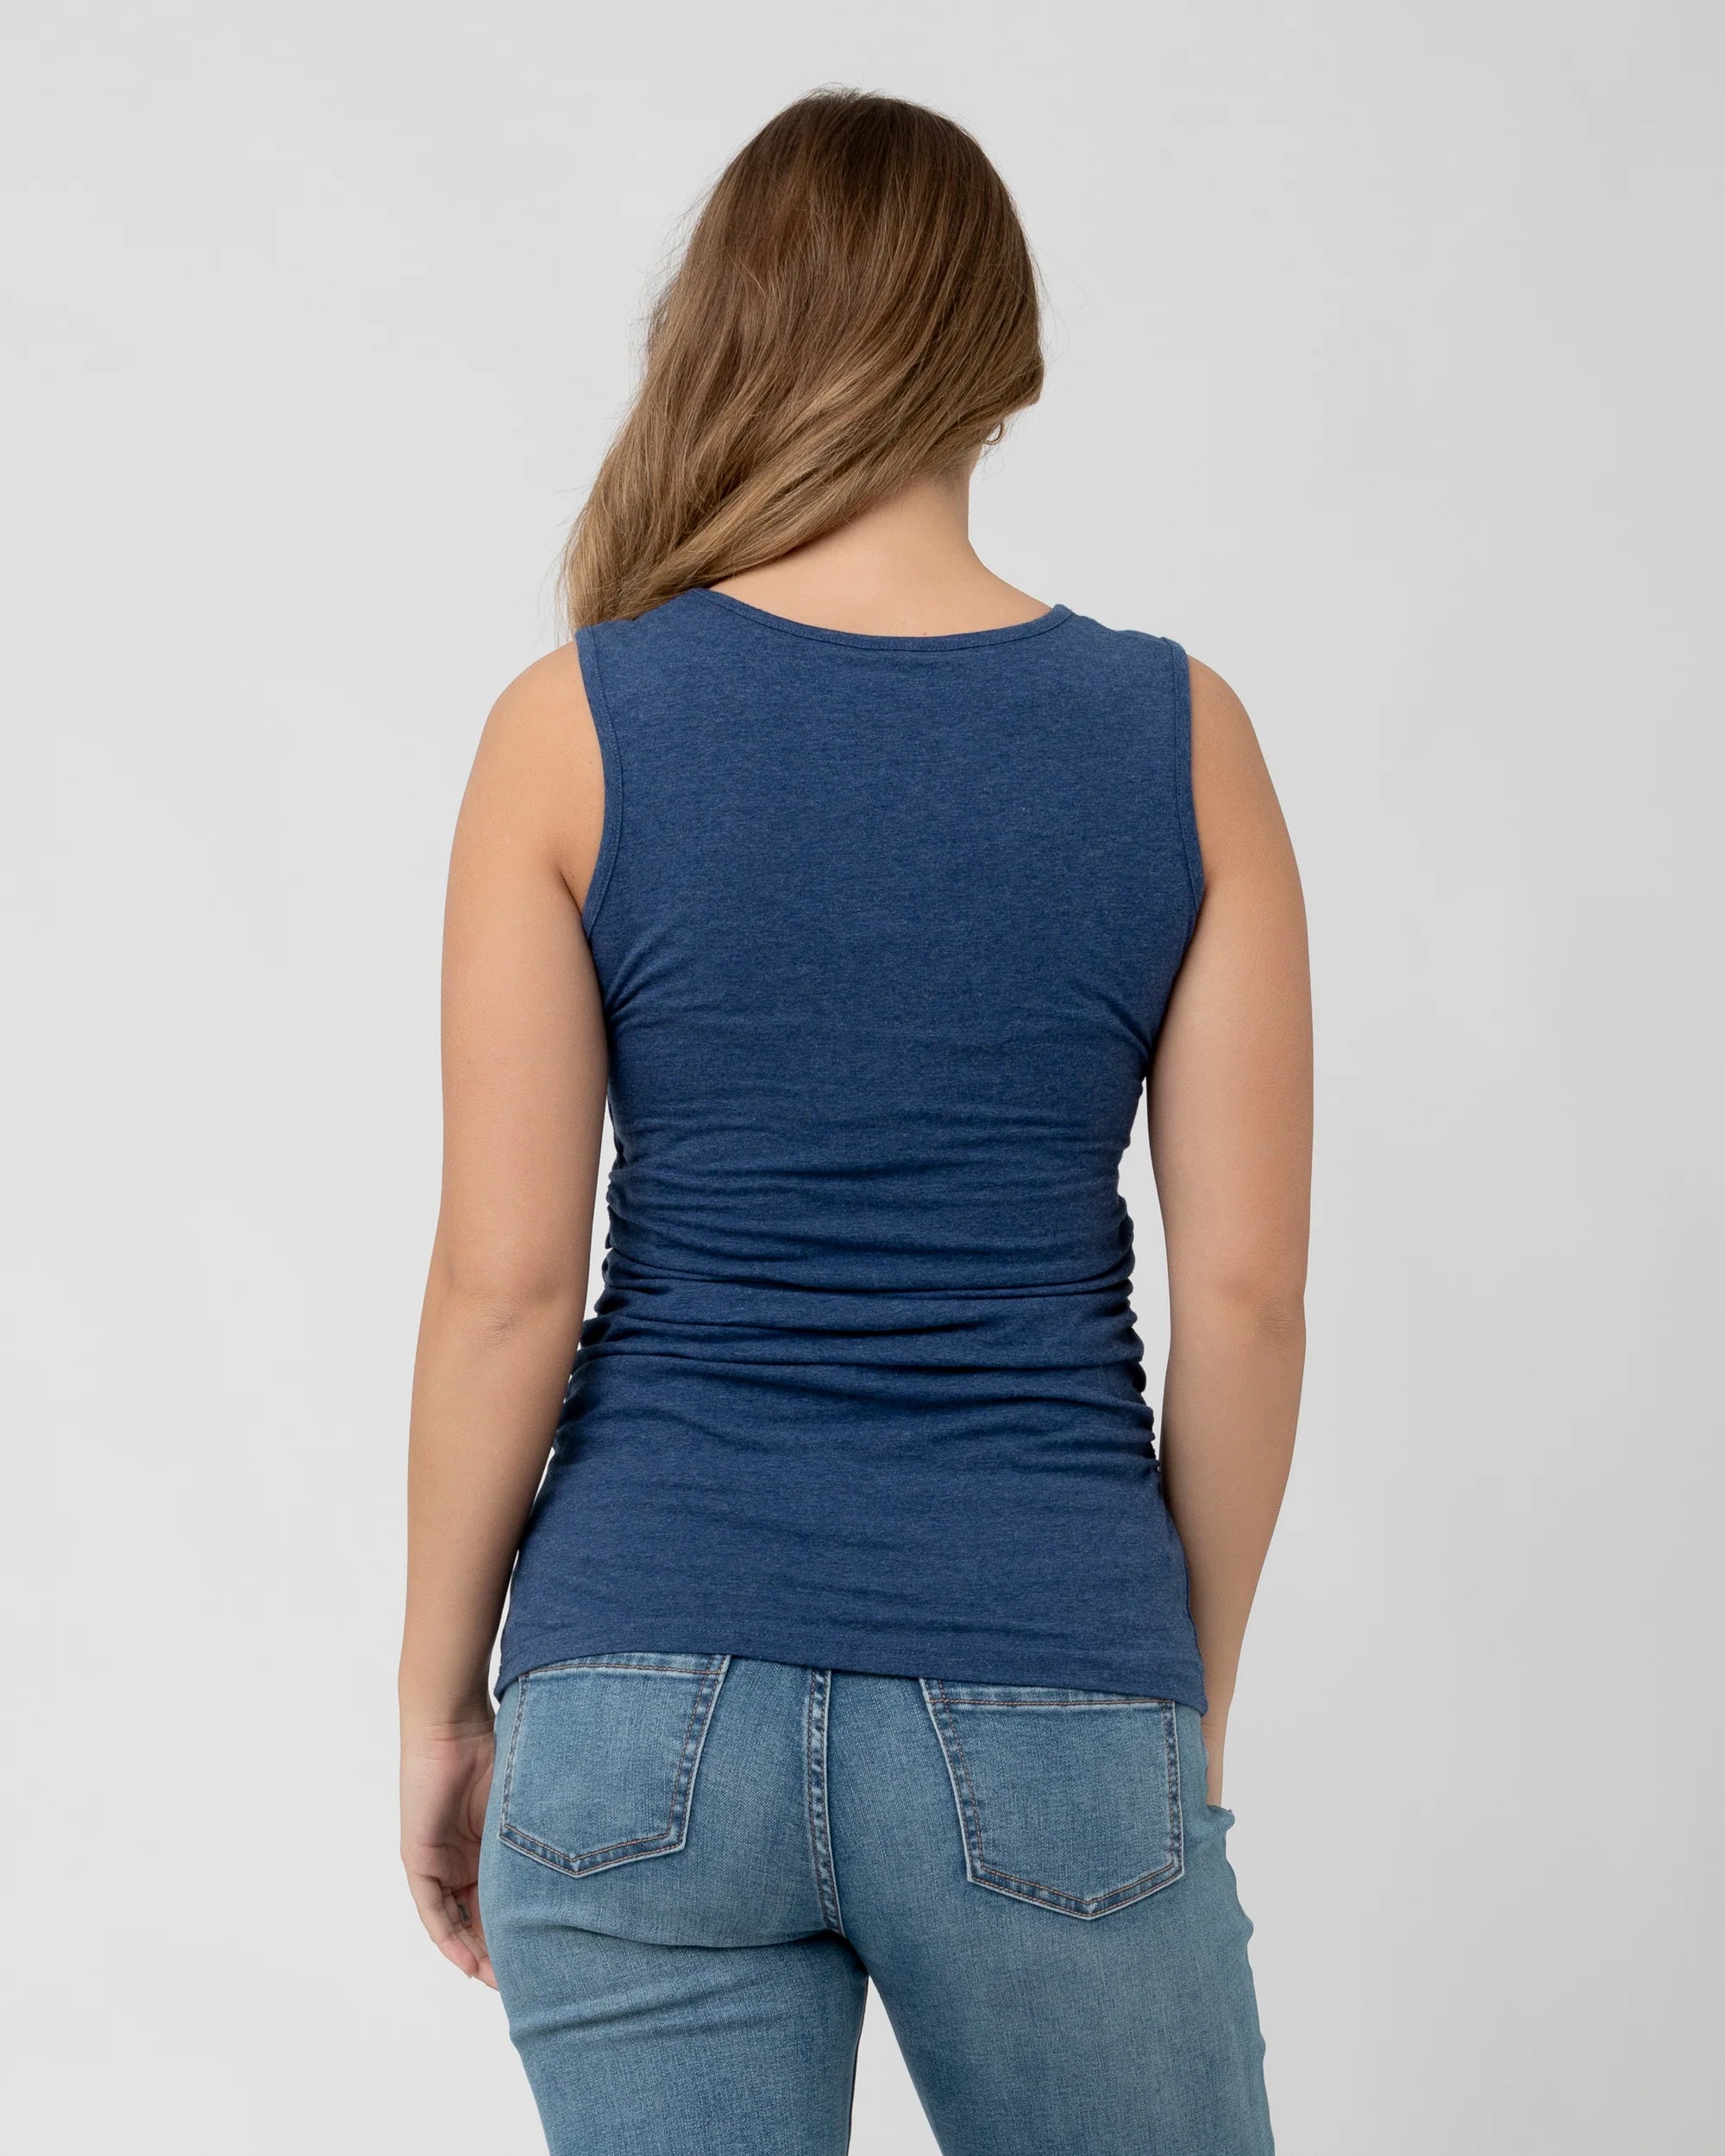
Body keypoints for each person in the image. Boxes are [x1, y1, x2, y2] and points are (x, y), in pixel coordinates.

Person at [398, 86, 1310, 2156]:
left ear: (723, 330)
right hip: (1052, 1649)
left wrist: (440, 1700)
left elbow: (504, 1284)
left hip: (635, 1699)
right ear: (1002, 356)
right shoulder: (1180, 738)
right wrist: (1167, 1697)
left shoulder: (571, 727)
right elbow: (1248, 1300)